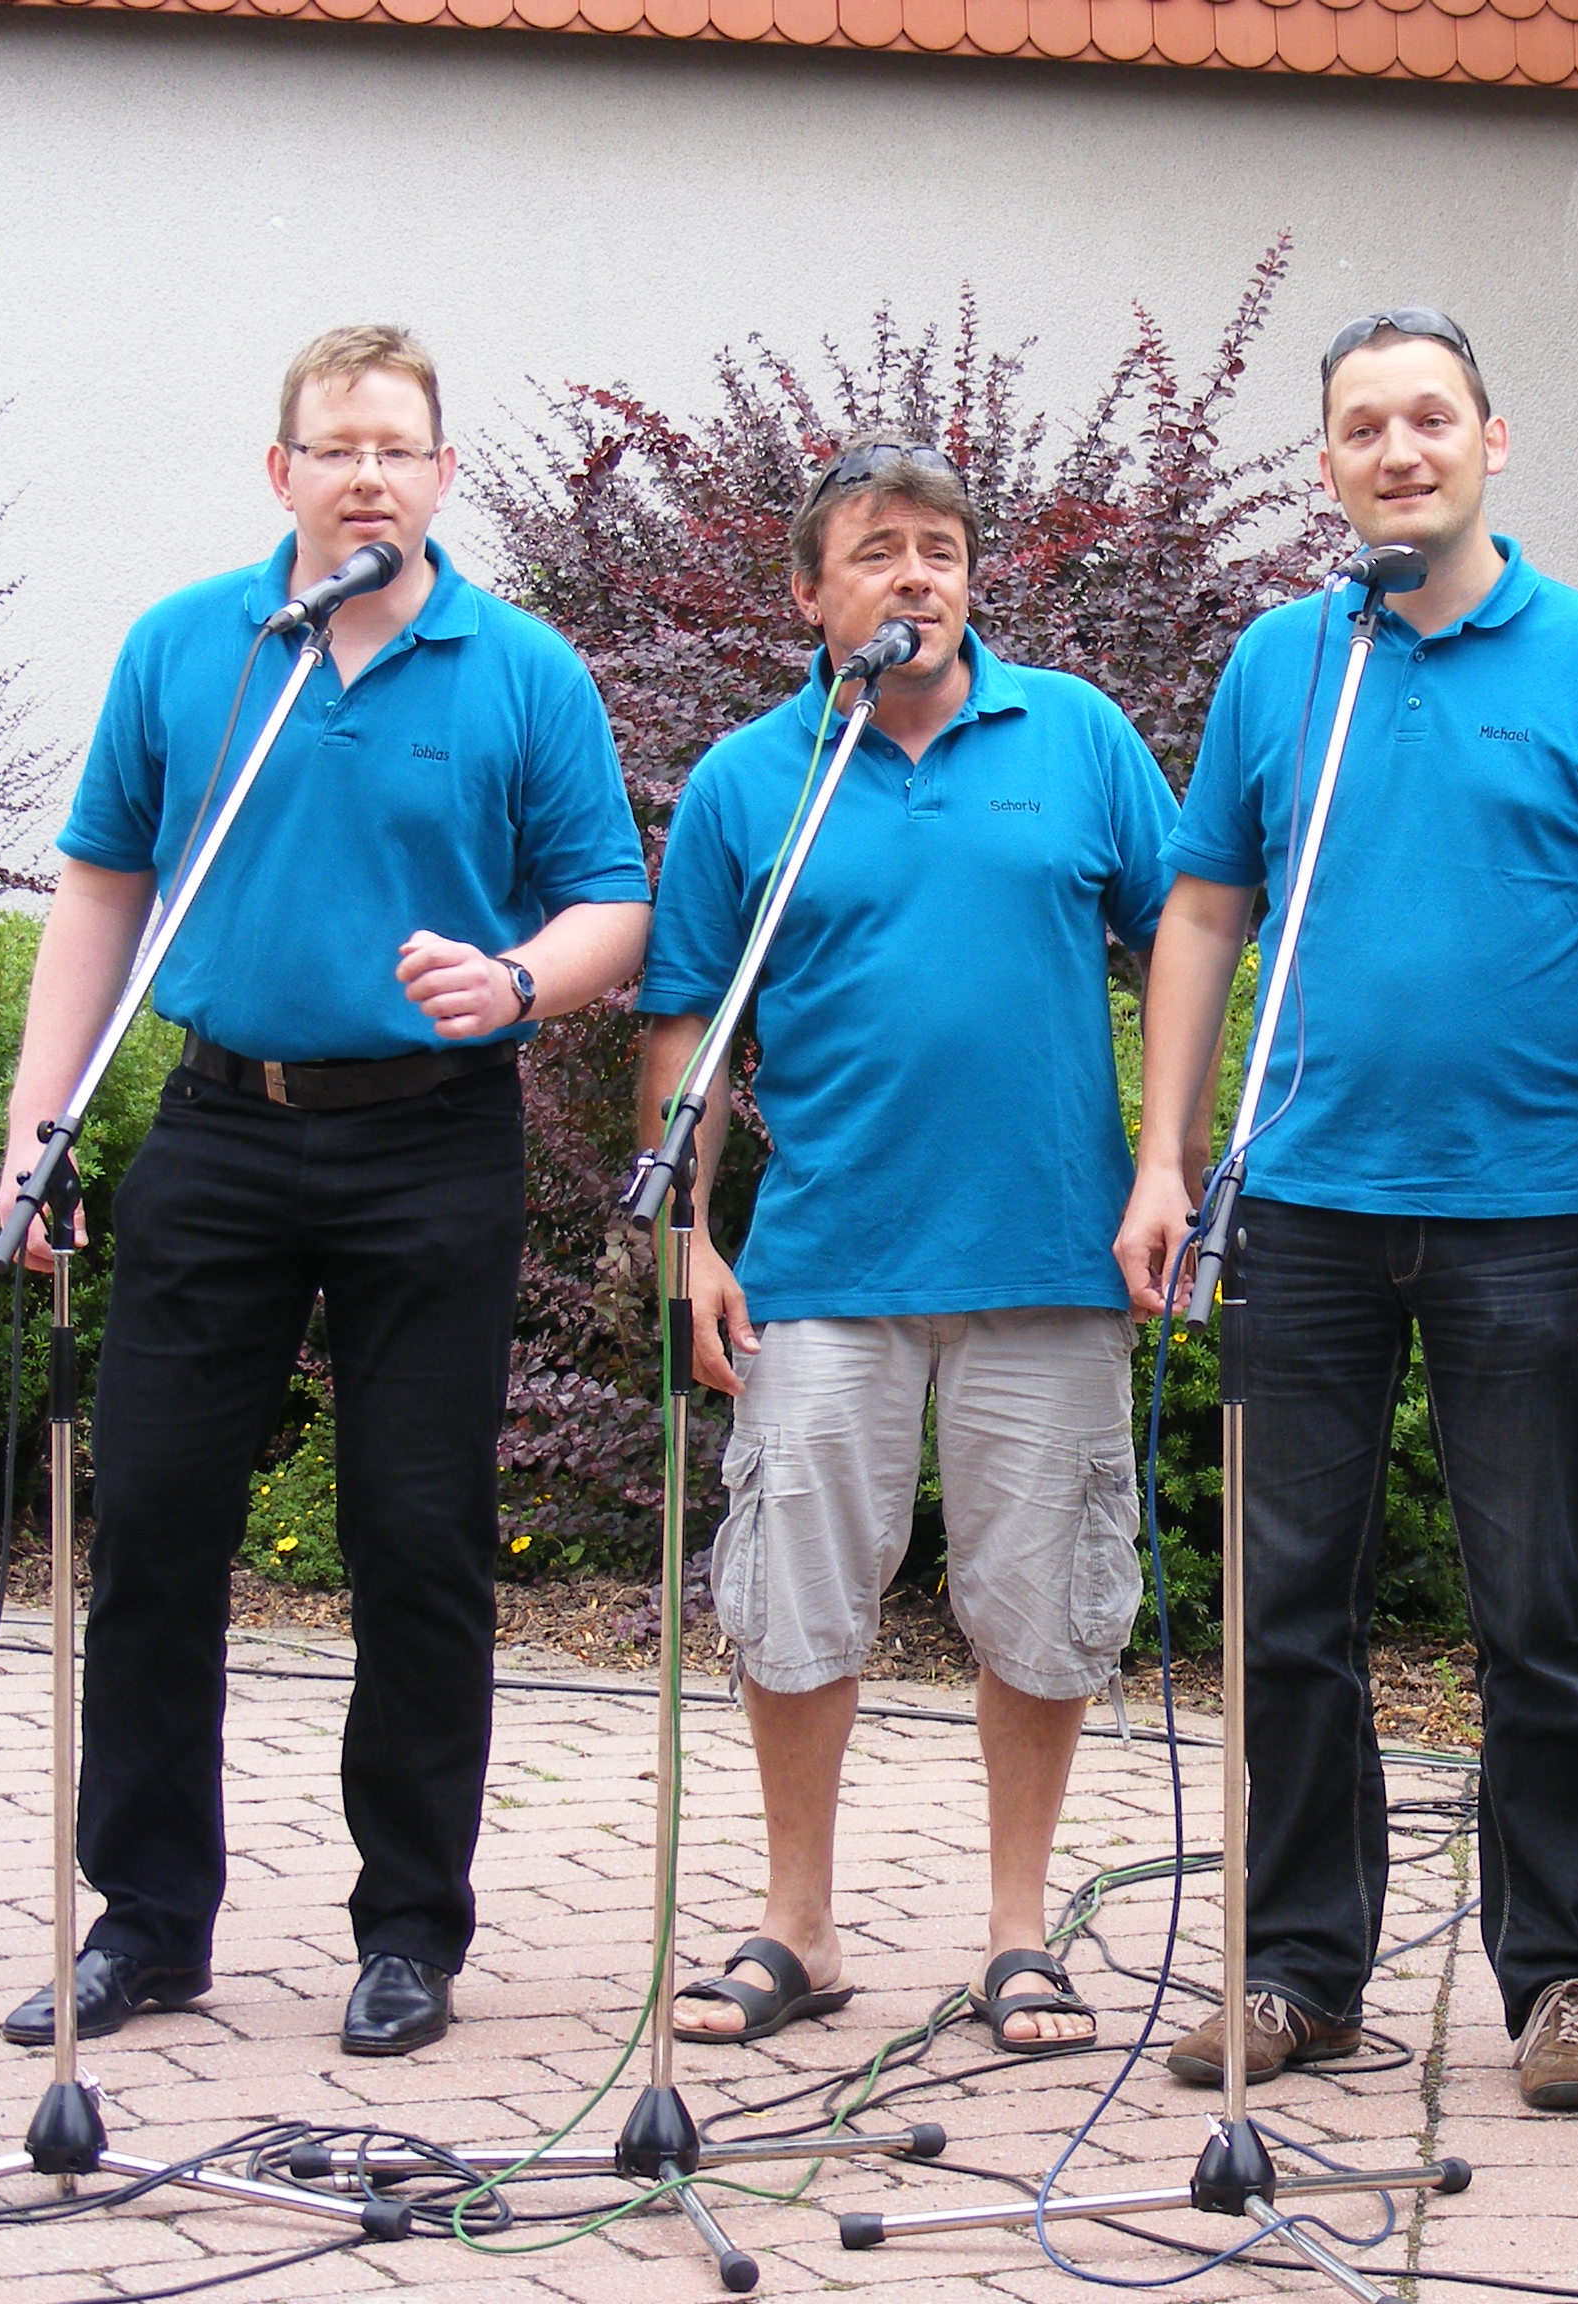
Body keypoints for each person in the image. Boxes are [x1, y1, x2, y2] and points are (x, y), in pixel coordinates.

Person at [0, 324, 652, 2058]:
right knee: (152, 1521)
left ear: (443, 473)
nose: (369, 475)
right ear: (280, 470)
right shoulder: (191, 647)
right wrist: (38, 1126)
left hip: (431, 1139)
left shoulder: (521, 669)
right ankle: (148, 1923)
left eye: (398, 447)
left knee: (418, 1537)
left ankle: (410, 1929)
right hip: (220, 1127)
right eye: (337, 446)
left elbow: (613, 904)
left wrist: (518, 978)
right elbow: (100, 888)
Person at [1113, 309, 1578, 2113]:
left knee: (1538, 1614)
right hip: (1299, 1208)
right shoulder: (1283, 662)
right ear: (1327, 465)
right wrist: (1165, 1158)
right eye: (1363, 427)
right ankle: (1299, 1969)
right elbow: (1204, 911)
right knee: (1288, 1611)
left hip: (1527, 1217)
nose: (1399, 450)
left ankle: (1562, 1977)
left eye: (1430, 418)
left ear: (1490, 441)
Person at [642, 438, 1177, 2054]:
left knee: (1045, 1600)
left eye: (939, 548)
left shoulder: (1077, 737)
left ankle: (1019, 1932)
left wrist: (1167, 1165)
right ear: (812, 596)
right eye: (877, 551)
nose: (916, 576)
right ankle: (799, 1925)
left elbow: (1187, 948)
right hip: (824, 1266)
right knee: (795, 1599)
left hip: (1050, 1261)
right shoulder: (754, 780)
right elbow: (686, 1025)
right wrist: (687, 1239)